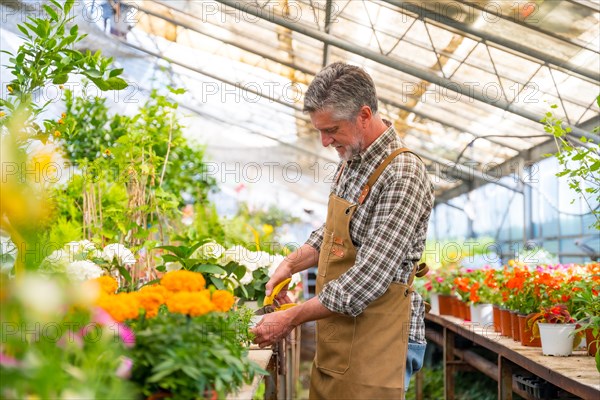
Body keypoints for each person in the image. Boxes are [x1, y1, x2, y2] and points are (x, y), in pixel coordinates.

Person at [251, 62, 434, 399]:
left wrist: (291, 317)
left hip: (379, 339)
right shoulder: (353, 158)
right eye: (319, 130)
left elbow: (369, 277)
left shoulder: (403, 174)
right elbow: (336, 231)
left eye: (331, 129)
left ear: (364, 115)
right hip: (344, 335)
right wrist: (291, 264)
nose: (323, 141)